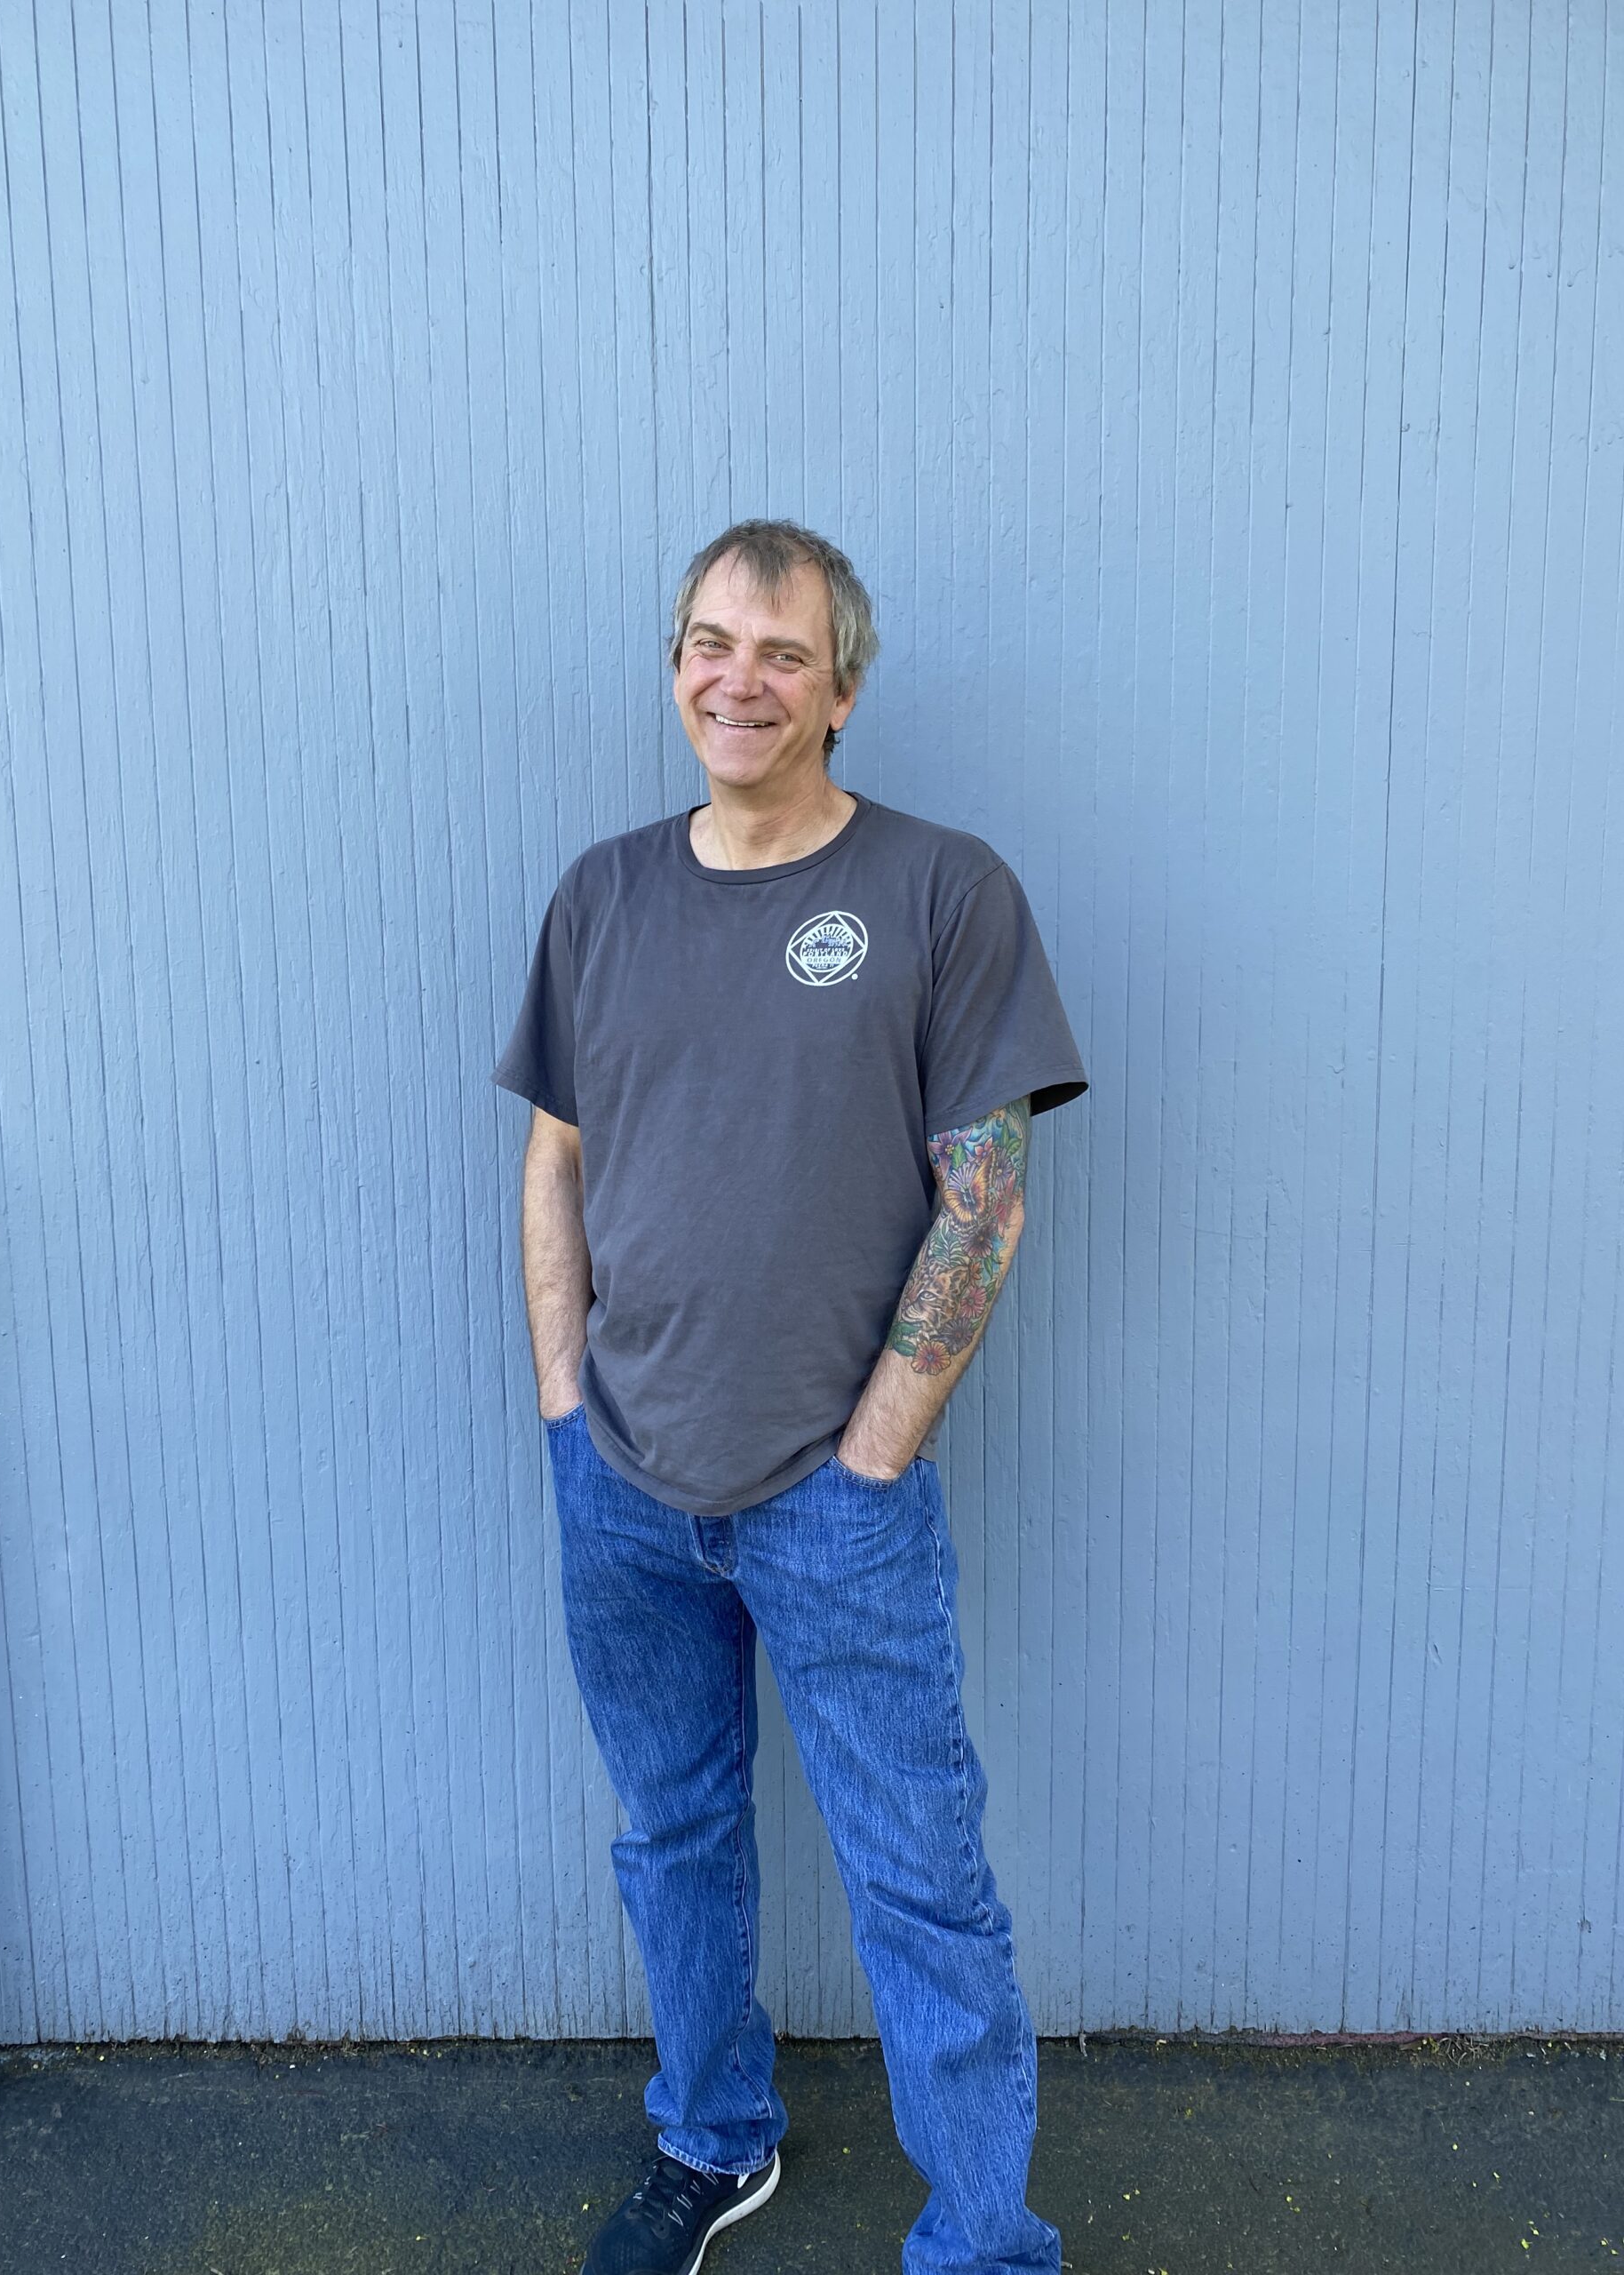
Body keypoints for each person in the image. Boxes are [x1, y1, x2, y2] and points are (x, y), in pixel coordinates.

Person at [492, 519, 1087, 2275]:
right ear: (674, 662)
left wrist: (872, 1452)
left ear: (841, 683)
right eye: (706, 640)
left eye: (778, 649)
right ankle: (712, 2133)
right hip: (620, 1479)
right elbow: (554, 1164)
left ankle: (983, 2237)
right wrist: (557, 1405)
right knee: (672, 1831)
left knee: (919, 1878)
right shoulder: (602, 894)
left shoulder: (940, 890)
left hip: (837, 1501)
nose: (735, 676)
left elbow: (985, 1193)